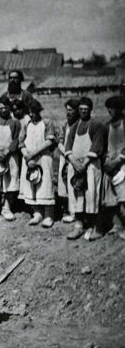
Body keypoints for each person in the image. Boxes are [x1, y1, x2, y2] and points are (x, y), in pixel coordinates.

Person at [63, 97, 106, 241]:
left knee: (92, 195)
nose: (83, 112)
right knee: (77, 196)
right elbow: (68, 147)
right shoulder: (74, 126)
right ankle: (79, 225)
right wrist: (75, 164)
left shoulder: (96, 125)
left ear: (90, 110)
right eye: (81, 110)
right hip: (76, 167)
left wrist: (84, 164)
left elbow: (97, 146)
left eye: (86, 110)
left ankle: (95, 227)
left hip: (90, 166)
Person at [18, 99, 58, 227]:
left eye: (34, 112)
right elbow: (21, 143)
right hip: (28, 160)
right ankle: (37, 213)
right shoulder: (26, 125)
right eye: (29, 112)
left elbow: (49, 142)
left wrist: (33, 154)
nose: (31, 115)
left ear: (39, 111)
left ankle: (48, 215)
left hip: (44, 158)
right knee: (31, 185)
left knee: (45, 185)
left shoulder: (47, 123)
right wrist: (27, 156)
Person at [102, 96, 125, 239]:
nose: (110, 111)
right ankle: (117, 225)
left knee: (124, 198)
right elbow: (104, 147)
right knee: (112, 198)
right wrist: (107, 162)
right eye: (108, 108)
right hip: (110, 166)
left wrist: (118, 160)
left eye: (113, 107)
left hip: (123, 164)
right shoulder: (106, 126)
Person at [56, 99, 80, 224]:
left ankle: (75, 212)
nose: (68, 113)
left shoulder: (80, 125)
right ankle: (67, 209)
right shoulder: (65, 125)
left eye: (71, 110)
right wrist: (64, 152)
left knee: (74, 184)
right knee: (64, 183)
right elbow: (60, 140)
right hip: (65, 156)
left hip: (75, 158)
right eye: (67, 110)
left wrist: (71, 155)